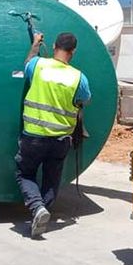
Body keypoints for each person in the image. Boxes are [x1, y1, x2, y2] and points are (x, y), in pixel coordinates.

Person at [15, 31, 91, 238]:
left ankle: (38, 208)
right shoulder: (78, 77)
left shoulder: (38, 65)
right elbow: (85, 100)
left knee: (25, 173)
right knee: (51, 180)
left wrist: (35, 44)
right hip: (60, 140)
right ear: (73, 51)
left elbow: (27, 63)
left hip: (34, 136)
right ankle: (42, 212)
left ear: (55, 45)